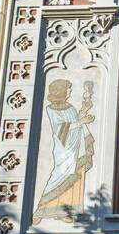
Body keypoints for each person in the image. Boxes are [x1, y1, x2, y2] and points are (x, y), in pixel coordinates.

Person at [34, 79, 95, 222]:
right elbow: (61, 128)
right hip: (64, 149)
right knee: (59, 176)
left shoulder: (70, 107)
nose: (70, 91)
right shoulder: (51, 109)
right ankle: (42, 209)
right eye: (68, 88)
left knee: (76, 175)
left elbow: (75, 119)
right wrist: (82, 122)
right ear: (60, 90)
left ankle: (67, 212)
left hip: (76, 146)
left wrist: (84, 109)